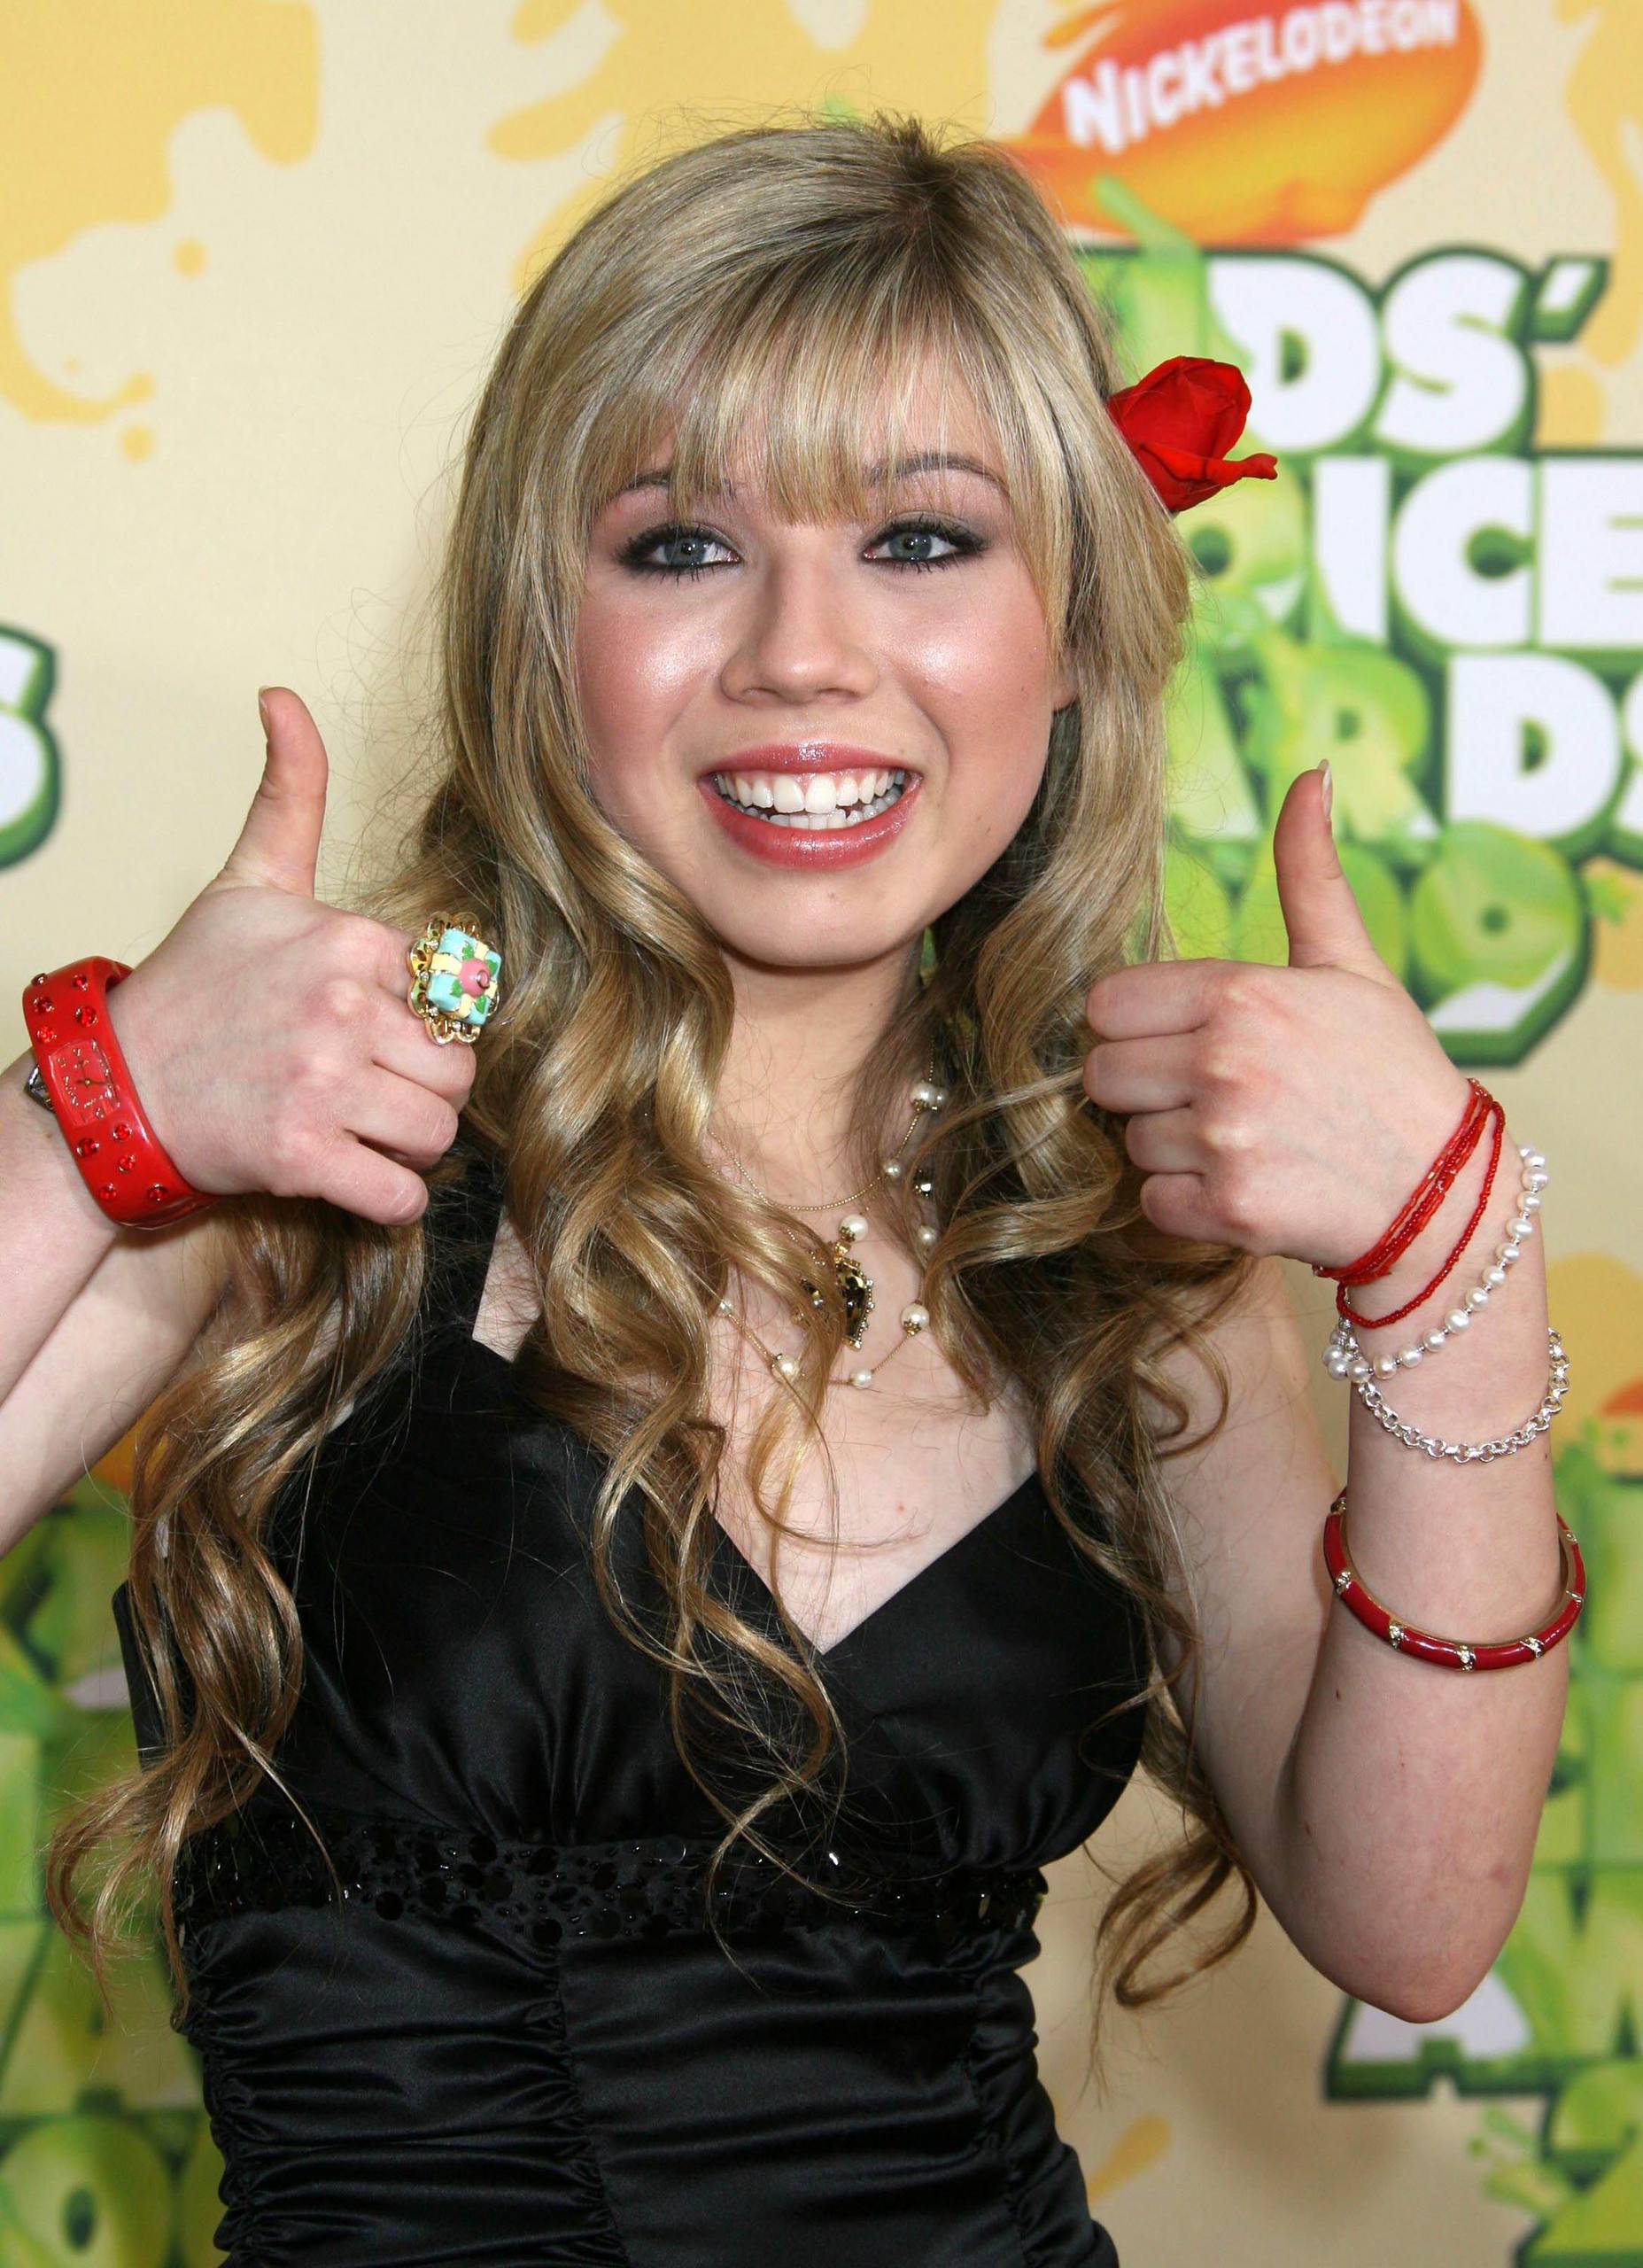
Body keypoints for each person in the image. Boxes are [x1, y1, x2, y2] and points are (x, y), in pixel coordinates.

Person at [5, 109, 1573, 2267]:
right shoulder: (317, 1150)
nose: (802, 653)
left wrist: (1445, 1260)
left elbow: (1409, 1919)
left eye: (920, 537)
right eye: (680, 546)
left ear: (1072, 623)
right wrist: (101, 1116)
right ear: (535, 625)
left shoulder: (1119, 1236)